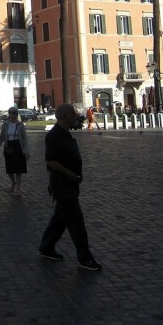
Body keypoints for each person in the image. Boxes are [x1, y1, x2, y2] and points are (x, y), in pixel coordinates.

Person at [38, 103, 102, 271]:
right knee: (76, 222)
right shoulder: (54, 136)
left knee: (60, 219)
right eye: (73, 114)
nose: (75, 116)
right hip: (62, 184)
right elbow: (51, 162)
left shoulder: (64, 133)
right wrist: (70, 173)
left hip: (69, 183)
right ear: (66, 115)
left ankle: (46, 246)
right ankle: (85, 257)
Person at [0, 106, 29, 196]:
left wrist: (26, 150)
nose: (12, 114)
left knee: (18, 169)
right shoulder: (5, 124)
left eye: (14, 112)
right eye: (10, 112)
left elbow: (25, 138)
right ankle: (13, 182)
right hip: (9, 146)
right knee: (9, 168)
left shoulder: (20, 125)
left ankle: (18, 188)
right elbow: (2, 136)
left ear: (17, 114)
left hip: (18, 146)